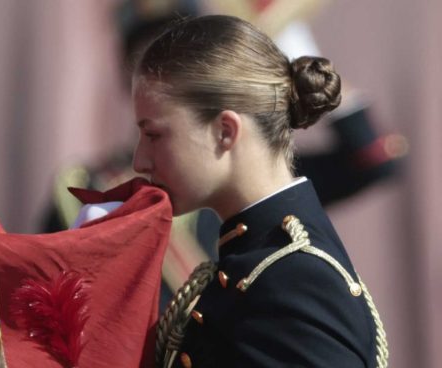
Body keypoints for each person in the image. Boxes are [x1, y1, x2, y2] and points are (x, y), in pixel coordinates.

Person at [132, 15, 388, 367]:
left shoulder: (295, 281)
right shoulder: (252, 264)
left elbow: (373, 160)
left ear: (224, 131)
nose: (139, 161)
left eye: (154, 135)